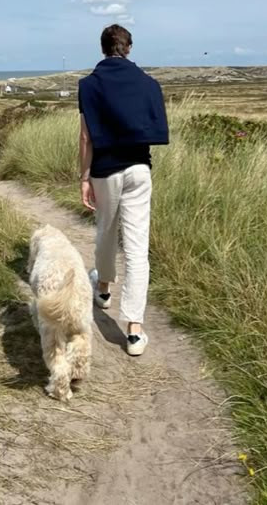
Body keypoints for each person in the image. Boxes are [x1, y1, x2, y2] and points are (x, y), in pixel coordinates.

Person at [78, 24, 168, 356]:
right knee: (136, 248)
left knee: (105, 233)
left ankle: (102, 290)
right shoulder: (148, 84)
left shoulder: (89, 86)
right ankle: (134, 331)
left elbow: (86, 137)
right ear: (128, 48)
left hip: (105, 172)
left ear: (103, 48)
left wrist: (84, 177)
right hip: (140, 170)